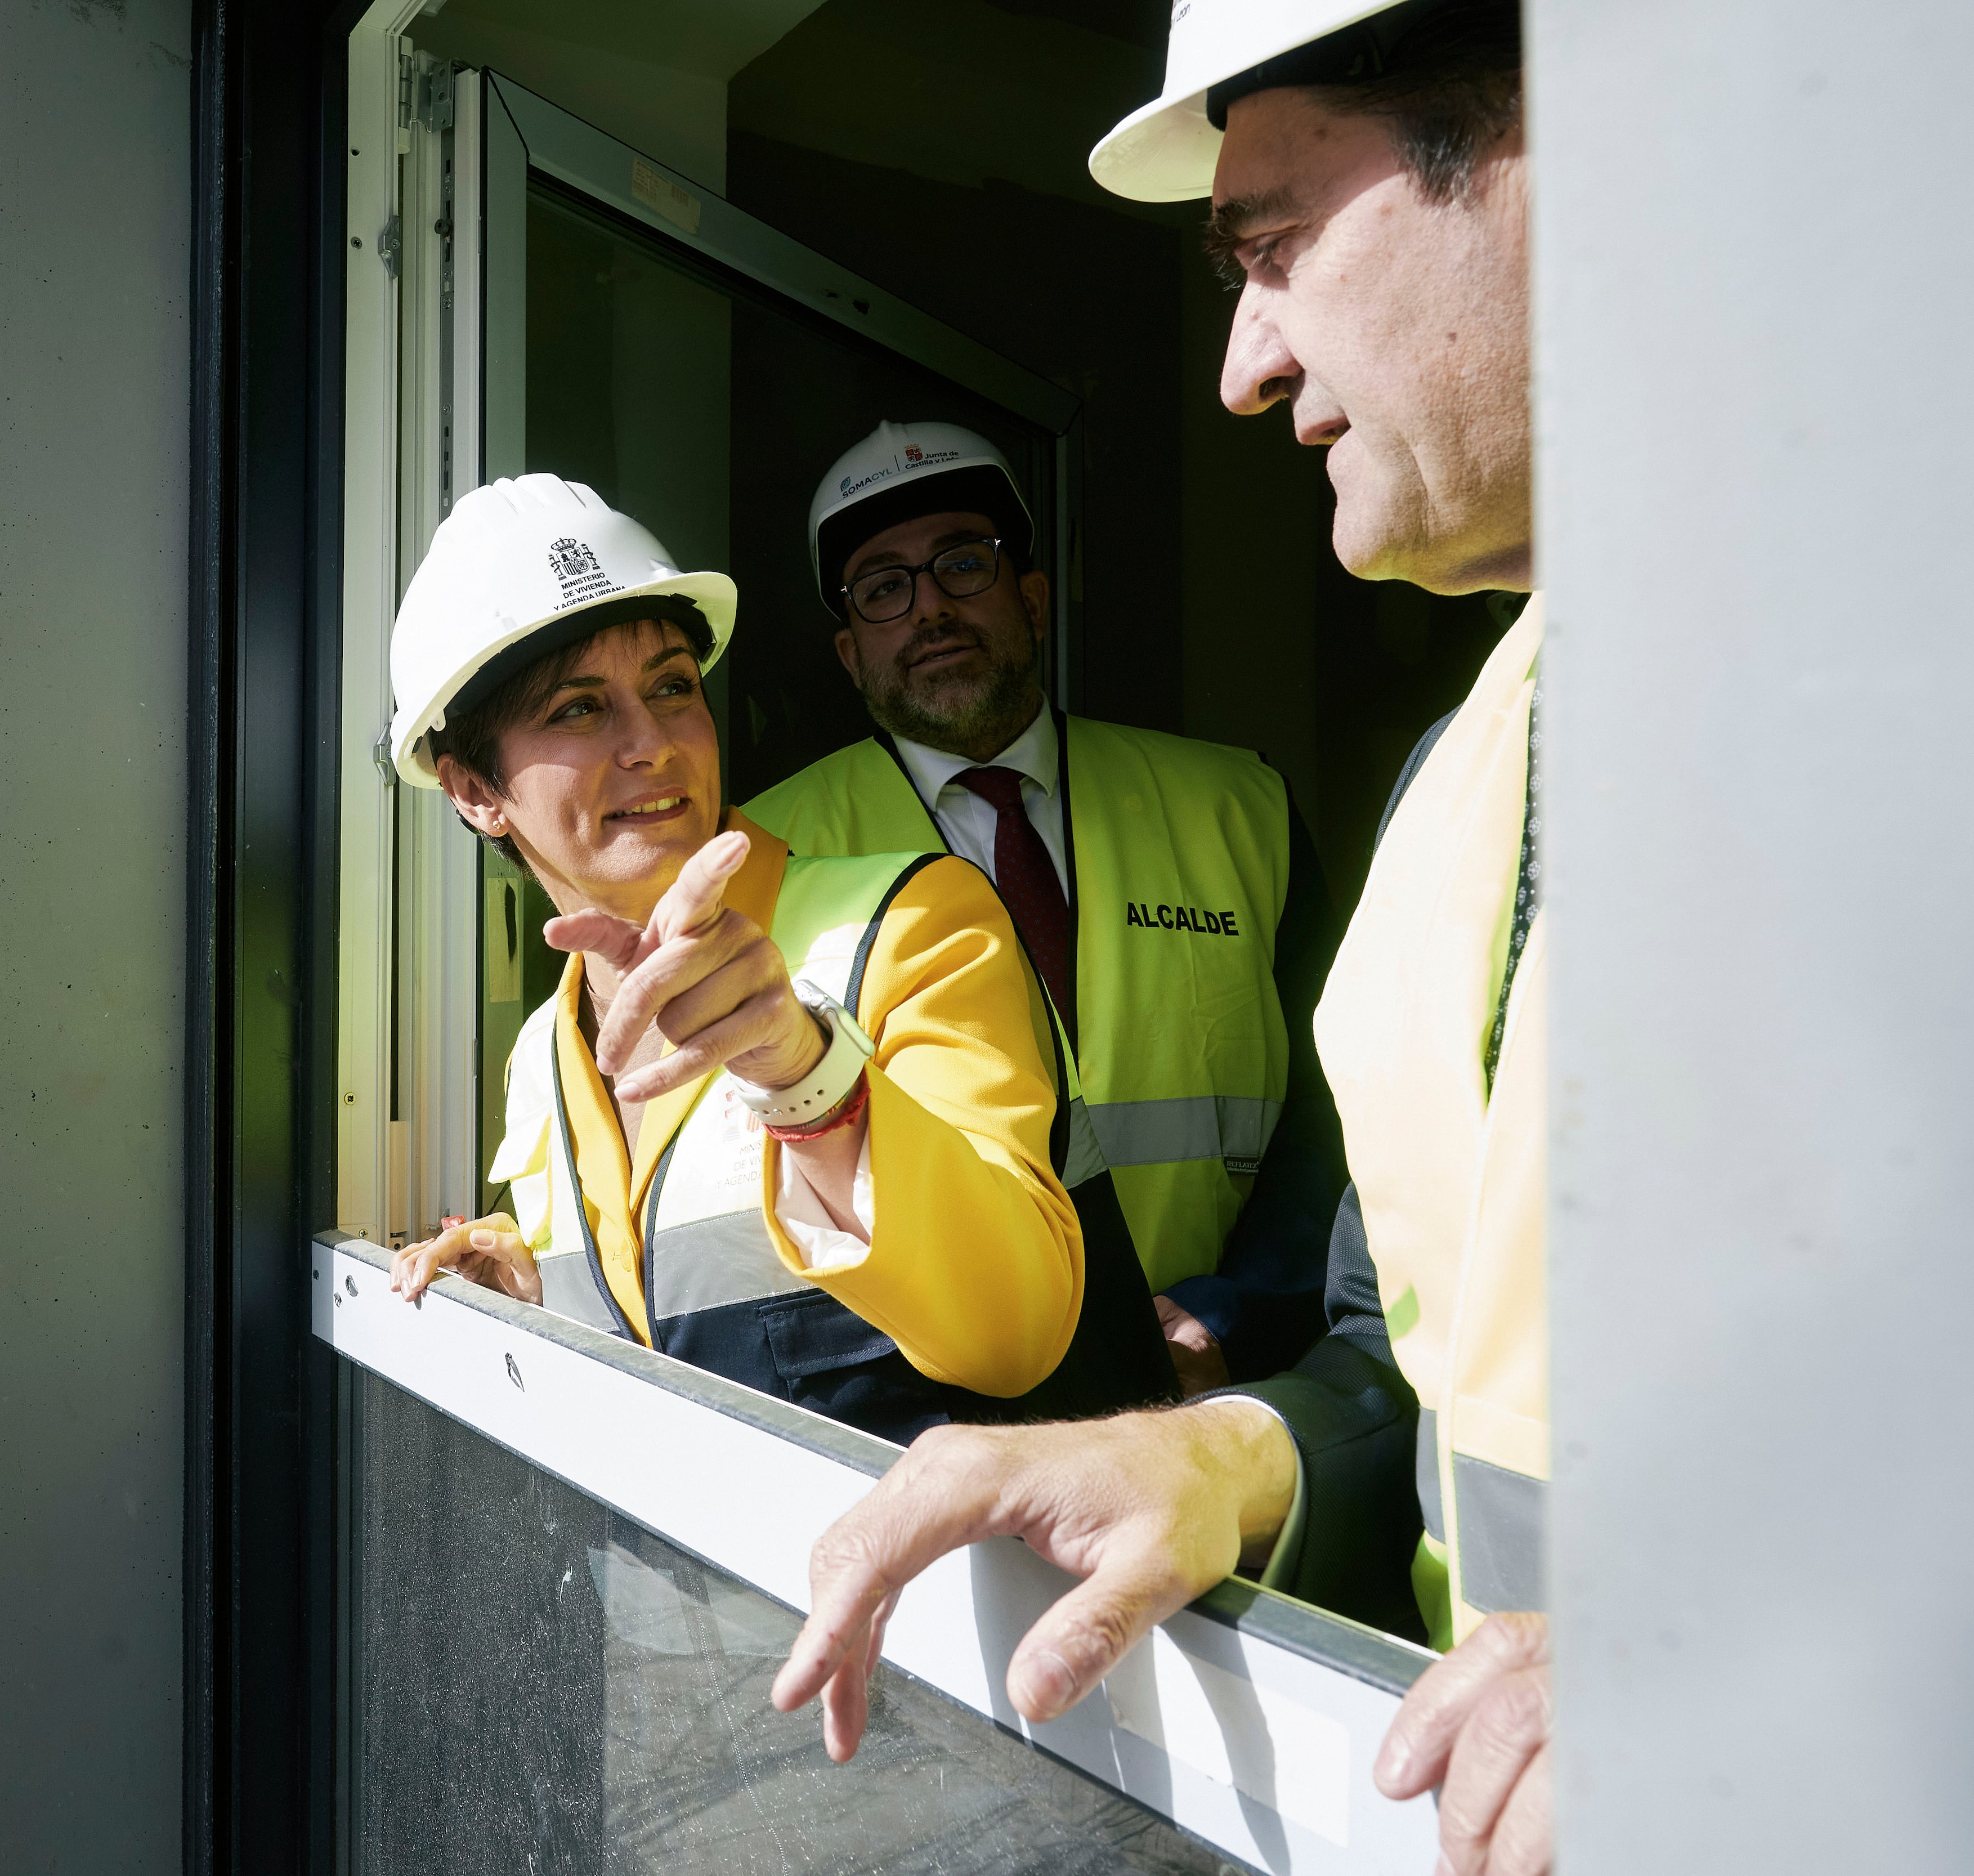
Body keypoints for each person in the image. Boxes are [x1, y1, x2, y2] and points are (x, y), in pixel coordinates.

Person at [770, 3, 1554, 1871]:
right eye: (878, 590)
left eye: (1273, 247)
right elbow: (1422, 1327)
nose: (1241, 364)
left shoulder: (1239, 796)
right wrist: (1229, 1456)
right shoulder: (1465, 768)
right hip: (1109, 1558)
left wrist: (1757, 1636)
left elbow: (1303, 1157)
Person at [384, 473, 1175, 1443]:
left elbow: (1013, 1332)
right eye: (580, 709)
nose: (654, 744)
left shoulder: (912, 924)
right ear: (474, 790)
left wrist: (808, 1077)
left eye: (673, 686)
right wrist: (531, 1300)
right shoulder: (542, 1057)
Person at [744, 422, 1349, 1392]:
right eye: (884, 585)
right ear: (852, 655)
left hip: (1216, 1384)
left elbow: (1338, 1108)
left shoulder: (1244, 808)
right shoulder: (754, 858)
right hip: (916, 1407)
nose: (930, 605)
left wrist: (1235, 1313)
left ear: (1030, 599)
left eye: (961, 562)